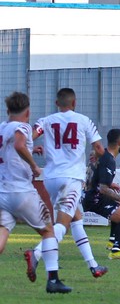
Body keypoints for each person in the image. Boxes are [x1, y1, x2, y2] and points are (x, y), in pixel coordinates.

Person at [28, 87, 107, 280]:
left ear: (57, 104)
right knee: (61, 225)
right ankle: (36, 254)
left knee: (76, 218)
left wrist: (32, 148)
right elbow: (98, 147)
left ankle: (93, 266)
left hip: (51, 178)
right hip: (71, 178)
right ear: (74, 103)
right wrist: (98, 156)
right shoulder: (83, 120)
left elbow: (28, 136)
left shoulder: (46, 121)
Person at [0, 91, 71, 293]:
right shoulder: (23, 127)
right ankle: (53, 279)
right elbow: (20, 144)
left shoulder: (2, 127)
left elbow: (12, 150)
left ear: (7, 110)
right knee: (48, 230)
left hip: (2, 191)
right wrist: (33, 165)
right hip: (20, 191)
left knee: (2, 233)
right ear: (28, 112)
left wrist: (31, 151)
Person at [81, 128, 120, 260]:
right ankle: (115, 251)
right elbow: (102, 189)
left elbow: (95, 177)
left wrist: (111, 184)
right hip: (95, 198)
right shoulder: (108, 160)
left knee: (119, 208)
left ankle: (112, 242)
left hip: (89, 194)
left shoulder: (102, 154)